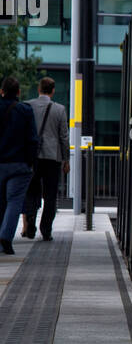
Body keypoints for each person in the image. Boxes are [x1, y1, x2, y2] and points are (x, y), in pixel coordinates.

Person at [22, 76, 70, 242]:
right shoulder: (60, 110)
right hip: (52, 158)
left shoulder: (27, 106)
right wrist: (66, 160)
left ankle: (30, 225)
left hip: (32, 156)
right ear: (53, 90)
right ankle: (46, 230)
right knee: (50, 195)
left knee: (31, 191)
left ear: (39, 89)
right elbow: (64, 137)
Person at [0, 75, 38, 255]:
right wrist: (30, 162)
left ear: (1, 91)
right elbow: (32, 139)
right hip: (19, 165)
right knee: (14, 201)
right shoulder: (25, 110)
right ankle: (6, 237)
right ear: (19, 92)